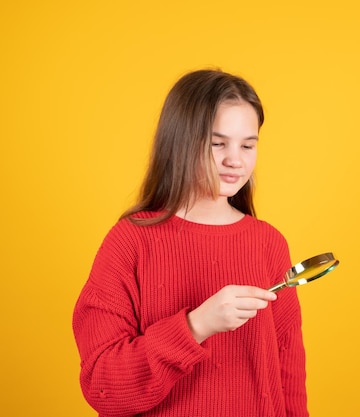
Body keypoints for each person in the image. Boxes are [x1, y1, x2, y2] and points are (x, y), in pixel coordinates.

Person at [72, 69, 308, 417]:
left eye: (247, 144)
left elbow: (289, 376)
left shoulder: (269, 242)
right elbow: (104, 388)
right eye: (217, 143)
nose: (235, 160)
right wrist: (197, 325)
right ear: (179, 141)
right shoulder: (130, 241)